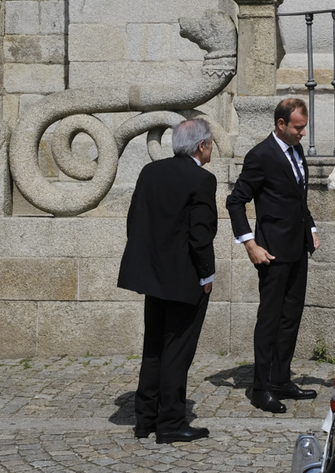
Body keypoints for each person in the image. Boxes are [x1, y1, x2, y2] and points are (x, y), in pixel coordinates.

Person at [117, 118, 218, 444]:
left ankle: (145, 419)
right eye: (211, 142)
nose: (212, 147)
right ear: (201, 145)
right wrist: (207, 274)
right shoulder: (202, 179)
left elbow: (135, 220)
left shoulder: (150, 172)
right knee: (177, 351)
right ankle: (172, 422)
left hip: (154, 276)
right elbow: (201, 234)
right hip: (185, 278)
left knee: (154, 347)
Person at [225, 98, 321, 414]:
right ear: (281, 124)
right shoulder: (260, 156)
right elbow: (235, 201)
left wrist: (311, 227)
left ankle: (281, 379)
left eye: (304, 127)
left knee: (291, 316)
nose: (302, 133)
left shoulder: (296, 150)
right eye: (298, 127)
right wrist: (250, 244)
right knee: (270, 319)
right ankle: (260, 387)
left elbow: (297, 197)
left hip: (298, 248)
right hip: (271, 252)